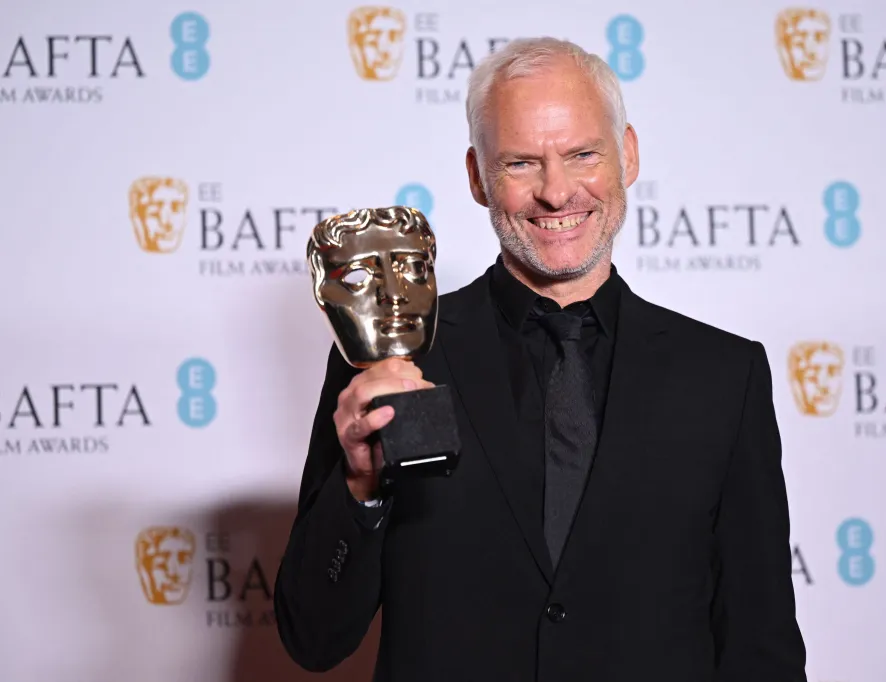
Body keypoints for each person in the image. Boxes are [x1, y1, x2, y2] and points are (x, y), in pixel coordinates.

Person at [274, 36, 807, 681]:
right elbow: (313, 636)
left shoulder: (724, 376)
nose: (557, 193)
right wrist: (359, 487)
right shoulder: (394, 361)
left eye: (582, 154)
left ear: (628, 155)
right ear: (477, 176)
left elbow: (762, 642)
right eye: (521, 163)